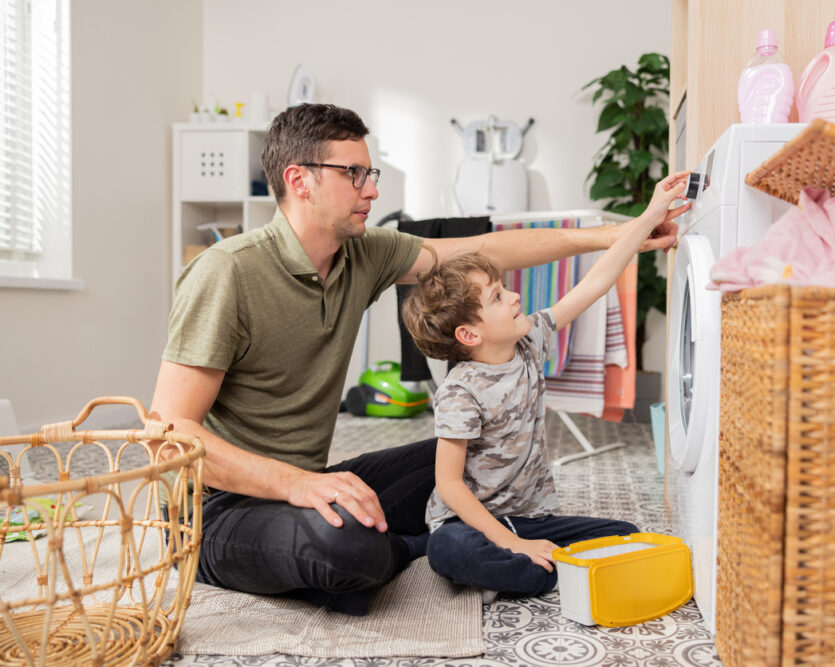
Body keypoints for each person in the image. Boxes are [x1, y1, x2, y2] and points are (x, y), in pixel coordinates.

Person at [149, 102, 690, 615]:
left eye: (371, 172)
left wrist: (620, 233)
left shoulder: (362, 253)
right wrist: (298, 485)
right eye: (355, 174)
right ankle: (408, 548)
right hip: (215, 510)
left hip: (309, 482)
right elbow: (168, 431)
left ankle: (408, 541)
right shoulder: (227, 273)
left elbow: (487, 251)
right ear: (299, 180)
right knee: (351, 551)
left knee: (465, 452)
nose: (373, 188)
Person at [400, 171, 691, 597]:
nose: (515, 297)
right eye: (498, 297)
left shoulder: (529, 340)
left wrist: (647, 218)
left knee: (623, 533)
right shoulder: (461, 391)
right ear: (469, 335)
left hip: (531, 518)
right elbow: (449, 485)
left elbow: (595, 282)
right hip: (468, 524)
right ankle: (524, 564)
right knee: (449, 549)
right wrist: (510, 542)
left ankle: (530, 568)